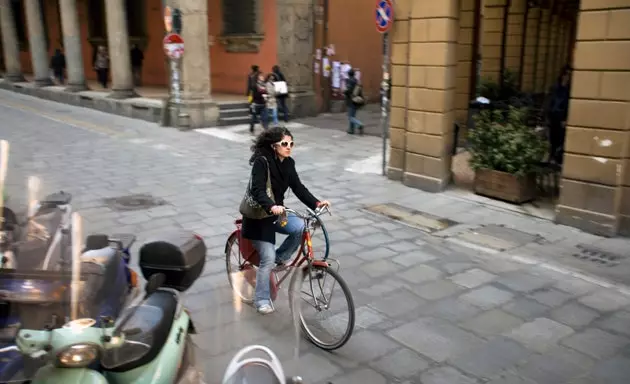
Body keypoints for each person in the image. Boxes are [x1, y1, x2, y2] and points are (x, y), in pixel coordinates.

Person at [241, 127, 330, 314]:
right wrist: (271, 205)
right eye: (285, 144)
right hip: (259, 216)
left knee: (300, 228)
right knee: (267, 258)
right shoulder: (261, 162)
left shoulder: (288, 163)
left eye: (291, 144)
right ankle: (262, 300)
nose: (289, 147)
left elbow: (298, 187)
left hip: (277, 213)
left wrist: (316, 203)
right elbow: (257, 190)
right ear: (274, 146)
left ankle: (280, 258)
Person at [545, 65, 571, 164]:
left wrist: (565, 118)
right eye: (566, 74)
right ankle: (551, 156)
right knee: (552, 138)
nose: (567, 77)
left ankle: (556, 158)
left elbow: (568, 105)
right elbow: (549, 101)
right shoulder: (555, 87)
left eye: (569, 75)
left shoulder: (570, 90)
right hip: (553, 116)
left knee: (560, 138)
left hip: (561, 118)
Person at [344, 69, 365, 135]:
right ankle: (351, 130)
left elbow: (348, 90)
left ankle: (360, 124)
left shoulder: (350, 81)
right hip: (357, 100)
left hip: (351, 100)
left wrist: (344, 92)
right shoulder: (356, 81)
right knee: (352, 116)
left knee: (350, 117)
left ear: (348, 74)